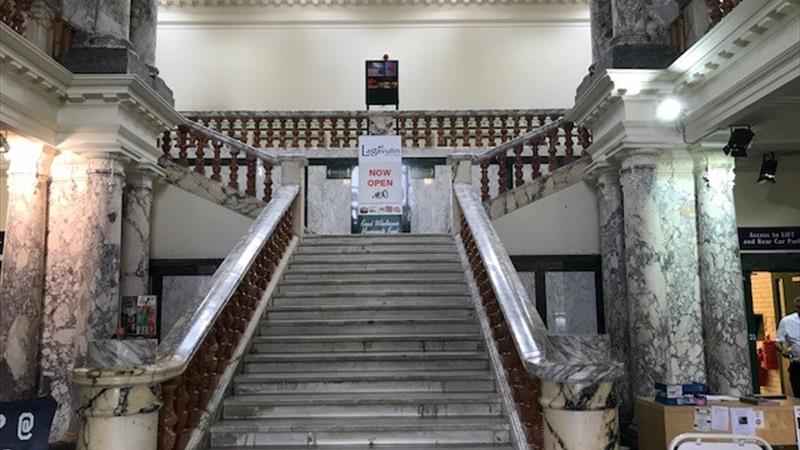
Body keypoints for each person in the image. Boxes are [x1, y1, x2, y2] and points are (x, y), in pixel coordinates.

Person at [776, 296, 800, 397]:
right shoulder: (787, 321)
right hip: (797, 364)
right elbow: (778, 342)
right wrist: (783, 351)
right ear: (796, 308)